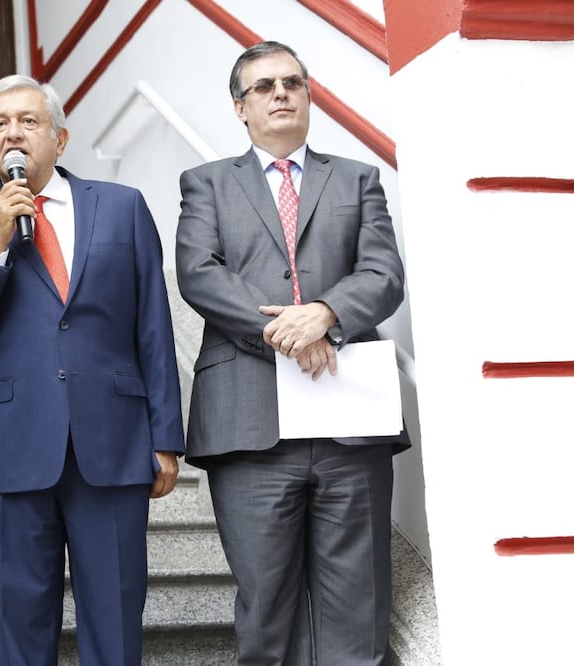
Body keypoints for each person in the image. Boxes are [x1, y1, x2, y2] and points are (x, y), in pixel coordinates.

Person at [0, 74, 185, 665]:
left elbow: (153, 327)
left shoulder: (122, 207)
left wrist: (165, 436)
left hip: (114, 445)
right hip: (10, 453)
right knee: (18, 632)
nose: (13, 132)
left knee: (116, 628)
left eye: (29, 121)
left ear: (60, 139)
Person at [175, 42, 410, 665]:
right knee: (266, 610)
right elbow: (200, 274)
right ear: (240, 107)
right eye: (264, 87)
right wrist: (288, 331)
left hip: (350, 425)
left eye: (293, 83)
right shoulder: (205, 184)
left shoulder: (358, 179)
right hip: (248, 427)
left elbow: (383, 274)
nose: (281, 93)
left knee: (358, 611)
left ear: (308, 95)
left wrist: (326, 316)